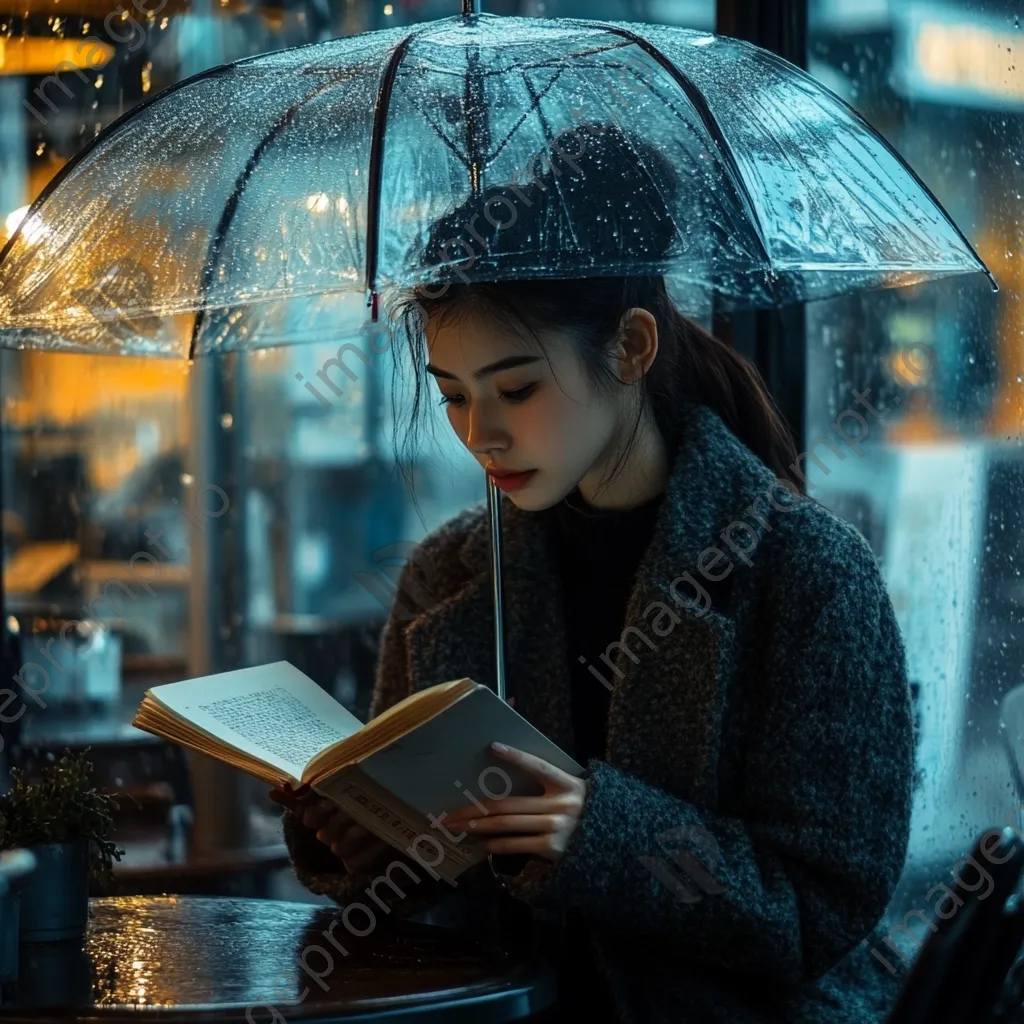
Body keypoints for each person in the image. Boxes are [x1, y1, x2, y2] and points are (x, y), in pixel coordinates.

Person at [270, 122, 916, 1023]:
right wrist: (366, 844)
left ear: (631, 347)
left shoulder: (802, 575)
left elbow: (822, 908)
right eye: (453, 395)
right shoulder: (448, 576)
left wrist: (599, 833)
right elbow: (432, 891)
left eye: (517, 389)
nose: (479, 434)